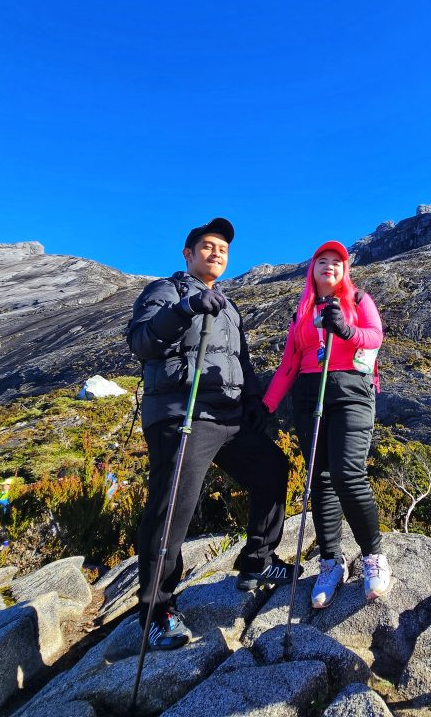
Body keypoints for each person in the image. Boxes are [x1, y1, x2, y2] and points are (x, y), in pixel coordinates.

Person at [126, 217, 296, 650]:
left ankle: (258, 560)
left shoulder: (228, 304)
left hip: (229, 416)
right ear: (188, 253)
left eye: (222, 248)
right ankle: (156, 611)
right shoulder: (166, 292)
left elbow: (240, 359)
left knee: (273, 468)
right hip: (183, 413)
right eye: (207, 246)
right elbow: (143, 343)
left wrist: (256, 402)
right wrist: (183, 311)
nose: (216, 252)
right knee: (173, 509)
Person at [262, 240, 391, 608]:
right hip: (308, 396)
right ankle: (330, 562)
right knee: (319, 479)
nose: (330, 266)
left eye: (337, 261)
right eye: (323, 260)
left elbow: (375, 336)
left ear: (344, 270)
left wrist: (346, 331)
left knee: (347, 474)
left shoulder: (358, 300)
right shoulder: (301, 312)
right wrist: (268, 405)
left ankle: (373, 556)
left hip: (351, 390)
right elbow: (288, 364)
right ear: (313, 268)